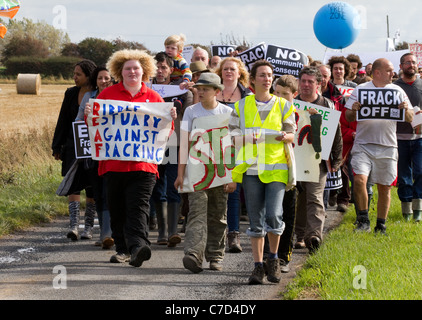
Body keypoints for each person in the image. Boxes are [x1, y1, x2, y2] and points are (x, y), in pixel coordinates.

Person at [85, 49, 177, 266]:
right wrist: (90, 115)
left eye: (136, 68)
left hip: (143, 166)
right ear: (120, 71)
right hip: (112, 165)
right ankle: (122, 249)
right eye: (128, 68)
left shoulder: (154, 97)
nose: (132, 72)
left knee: (138, 207)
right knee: (117, 209)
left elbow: (166, 133)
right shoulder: (107, 95)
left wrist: (169, 119)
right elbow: (95, 127)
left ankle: (138, 247)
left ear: (144, 71)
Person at [229, 60, 296, 285]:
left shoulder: (284, 105)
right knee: (256, 220)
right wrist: (248, 138)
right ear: (252, 81)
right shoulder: (240, 106)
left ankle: (274, 259)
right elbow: (233, 136)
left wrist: (283, 136)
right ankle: (258, 266)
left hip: (277, 168)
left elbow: (291, 134)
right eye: (262, 75)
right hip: (251, 168)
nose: (267, 79)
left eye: (270, 75)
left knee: (274, 215)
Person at [174, 72, 236, 273]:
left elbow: (234, 146)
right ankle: (193, 254)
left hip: (220, 171)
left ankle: (216, 256)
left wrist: (232, 176)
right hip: (197, 170)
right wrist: (180, 173)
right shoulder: (191, 112)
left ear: (217, 91)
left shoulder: (229, 112)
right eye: (199, 88)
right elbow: (184, 143)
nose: (200, 92)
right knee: (196, 212)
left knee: (218, 215)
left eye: (205, 89)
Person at [345, 58, 414, 234]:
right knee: (360, 180)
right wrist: (353, 109)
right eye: (389, 70)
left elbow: (410, 118)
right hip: (363, 144)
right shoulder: (360, 90)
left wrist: (406, 109)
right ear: (377, 72)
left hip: (388, 145)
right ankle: (363, 219)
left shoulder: (397, 90)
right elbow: (348, 116)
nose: (393, 73)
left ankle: (381, 225)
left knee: (385, 186)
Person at [294, 66, 343, 252]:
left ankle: (314, 235)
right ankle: (300, 235)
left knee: (315, 198)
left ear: (319, 84)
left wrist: (336, 161)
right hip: (295, 159)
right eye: (303, 81)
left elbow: (336, 134)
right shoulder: (290, 104)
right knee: (299, 197)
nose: (306, 85)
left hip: (319, 161)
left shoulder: (327, 105)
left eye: (310, 82)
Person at [52, 59, 97, 241]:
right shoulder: (70, 93)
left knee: (92, 186)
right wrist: (57, 145)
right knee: (73, 184)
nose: (74, 77)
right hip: (72, 145)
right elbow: (63, 119)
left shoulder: (99, 93)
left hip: (93, 144)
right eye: (74, 73)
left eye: (78, 74)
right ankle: (73, 226)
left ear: (88, 75)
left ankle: (88, 228)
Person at [151, 52, 193, 247]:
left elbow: (187, 110)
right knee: (156, 185)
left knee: (173, 185)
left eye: (163, 67)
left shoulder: (182, 91)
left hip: (174, 143)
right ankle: (161, 232)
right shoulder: (146, 89)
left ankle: (173, 231)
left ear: (170, 70)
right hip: (150, 144)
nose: (160, 71)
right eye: (157, 67)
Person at [214, 57, 252, 253]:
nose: (229, 72)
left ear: (239, 73)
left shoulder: (247, 96)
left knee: (234, 192)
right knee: (215, 193)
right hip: (213, 148)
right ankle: (215, 235)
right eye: (225, 69)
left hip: (238, 148)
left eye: (232, 69)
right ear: (220, 72)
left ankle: (234, 235)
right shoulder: (212, 92)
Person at [76, 66, 115, 248]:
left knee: (110, 191)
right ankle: (103, 234)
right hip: (93, 152)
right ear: (96, 80)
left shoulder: (117, 97)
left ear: (112, 79)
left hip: (113, 153)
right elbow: (78, 123)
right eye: (100, 78)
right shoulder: (88, 98)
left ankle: (108, 232)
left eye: (107, 78)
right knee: (98, 192)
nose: (104, 81)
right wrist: (85, 115)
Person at [264, 74, 298, 273]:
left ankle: (284, 256)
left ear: (294, 95)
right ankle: (269, 255)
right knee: (271, 213)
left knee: (288, 212)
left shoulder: (300, 113)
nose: (280, 97)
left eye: (285, 94)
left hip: (294, 169)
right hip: (272, 168)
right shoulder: (267, 111)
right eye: (277, 93)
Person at [394, 53, 422, 222]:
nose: (411, 65)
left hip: (420, 137)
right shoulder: (394, 87)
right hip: (399, 137)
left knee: (420, 172)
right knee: (404, 176)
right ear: (401, 65)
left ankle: (418, 209)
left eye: (413, 62)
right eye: (407, 63)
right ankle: (406, 211)